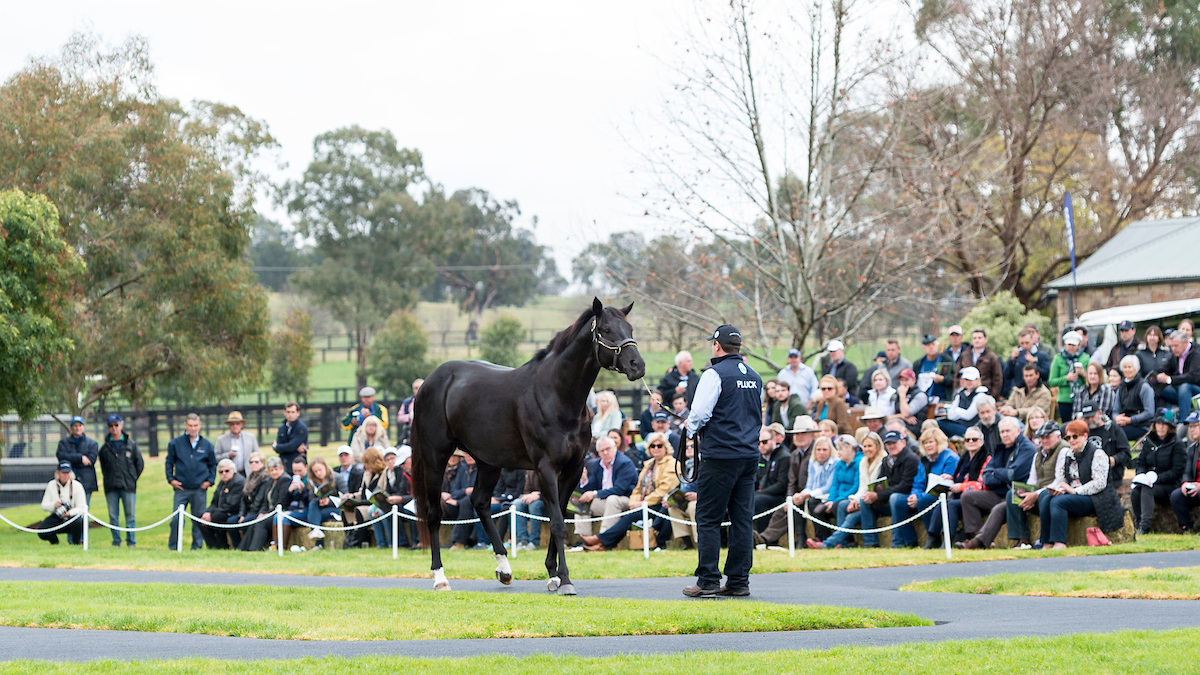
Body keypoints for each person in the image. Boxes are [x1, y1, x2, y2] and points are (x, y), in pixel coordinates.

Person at [682, 324, 763, 598]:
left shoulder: (714, 374)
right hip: (748, 455)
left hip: (720, 455)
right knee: (742, 519)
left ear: (717, 345)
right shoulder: (754, 376)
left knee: (708, 518)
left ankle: (708, 579)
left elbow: (699, 413)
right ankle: (739, 580)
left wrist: (690, 430)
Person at [582, 432, 679, 551]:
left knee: (628, 518)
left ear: (666, 447)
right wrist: (634, 502)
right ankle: (601, 544)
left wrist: (643, 503)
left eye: (659, 446)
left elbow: (664, 490)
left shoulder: (672, 464)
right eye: (652, 446)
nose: (656, 448)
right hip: (644, 503)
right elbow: (638, 488)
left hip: (659, 505)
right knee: (629, 517)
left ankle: (601, 540)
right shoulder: (649, 464)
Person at [1037, 419, 1125, 549]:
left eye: (1075, 436)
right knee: (1046, 498)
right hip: (1073, 495)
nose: (1071, 440)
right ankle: (1046, 543)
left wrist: (1075, 491)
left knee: (1058, 502)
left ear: (1085, 436)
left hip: (1096, 498)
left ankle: (1059, 543)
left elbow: (1100, 483)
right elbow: (1062, 478)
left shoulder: (1098, 454)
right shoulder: (1068, 454)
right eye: (1068, 437)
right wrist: (1060, 489)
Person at [958, 417, 1036, 550]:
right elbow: (986, 476)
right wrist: (1000, 474)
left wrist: (996, 473)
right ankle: (977, 536)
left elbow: (1013, 474)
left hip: (1018, 494)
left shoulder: (1027, 448)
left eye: (1008, 431)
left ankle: (976, 543)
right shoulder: (1000, 448)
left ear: (1018, 430)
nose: (1005, 435)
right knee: (967, 497)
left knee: (999, 509)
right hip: (998, 493)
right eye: (1002, 432)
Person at [809, 431, 892, 549]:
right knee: (842, 507)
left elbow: (869, 487)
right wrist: (853, 500)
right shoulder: (863, 462)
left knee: (845, 509)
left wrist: (855, 500)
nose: (867, 449)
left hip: (878, 501)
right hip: (864, 499)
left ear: (878, 447)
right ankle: (840, 543)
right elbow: (861, 487)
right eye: (865, 446)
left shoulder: (882, 461)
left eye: (870, 446)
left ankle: (833, 543)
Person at [755, 416, 818, 546]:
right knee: (782, 510)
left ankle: (800, 539)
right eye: (796, 434)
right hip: (796, 495)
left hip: (813, 493)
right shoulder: (794, 454)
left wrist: (802, 495)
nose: (799, 437)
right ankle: (763, 538)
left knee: (793, 506)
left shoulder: (817, 451)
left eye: (803, 433)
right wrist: (789, 497)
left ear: (812, 434)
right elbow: (791, 482)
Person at [1007, 421, 1068, 548]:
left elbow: (1059, 481)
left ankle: (1045, 540)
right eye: (1042, 437)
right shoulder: (1038, 453)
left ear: (1058, 436)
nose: (1044, 441)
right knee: (1012, 494)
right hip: (1039, 492)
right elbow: (1032, 481)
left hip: (1056, 491)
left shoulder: (1064, 450)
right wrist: (1028, 494)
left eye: (1047, 437)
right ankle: (1023, 540)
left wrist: (1035, 494)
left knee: (1045, 495)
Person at [925, 425, 990, 546]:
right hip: (962, 498)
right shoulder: (964, 458)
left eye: (974, 439)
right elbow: (962, 478)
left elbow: (982, 484)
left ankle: (948, 540)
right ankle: (932, 537)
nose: (971, 442)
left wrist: (960, 486)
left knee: (951, 505)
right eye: (967, 439)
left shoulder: (987, 458)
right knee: (941, 504)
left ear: (981, 441)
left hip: (977, 499)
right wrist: (952, 478)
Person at [165, 413, 217, 551]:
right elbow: (169, 462)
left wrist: (210, 481)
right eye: (190, 425)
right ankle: (173, 546)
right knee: (176, 519)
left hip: (199, 489)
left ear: (200, 426)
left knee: (198, 520)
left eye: (195, 425)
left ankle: (197, 547)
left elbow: (213, 464)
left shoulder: (206, 445)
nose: (193, 428)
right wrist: (171, 479)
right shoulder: (175, 443)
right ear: (185, 425)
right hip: (181, 488)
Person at [1130, 411, 1186, 535]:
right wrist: (1141, 474)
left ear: (1169, 427)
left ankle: (1145, 526)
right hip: (1149, 480)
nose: (1161, 427)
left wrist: (1157, 478)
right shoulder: (1149, 441)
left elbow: (1177, 471)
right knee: (1136, 490)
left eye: (1164, 424)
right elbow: (1140, 462)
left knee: (1147, 489)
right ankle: (1137, 523)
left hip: (1168, 485)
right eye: (1158, 423)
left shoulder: (1177, 444)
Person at [905, 427, 958, 549]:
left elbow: (946, 485)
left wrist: (920, 497)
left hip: (945, 496)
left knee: (924, 500)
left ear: (939, 442)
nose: (928, 445)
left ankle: (933, 536)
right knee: (899, 500)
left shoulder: (951, 458)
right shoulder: (924, 460)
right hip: (926, 495)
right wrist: (914, 495)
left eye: (931, 442)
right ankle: (906, 541)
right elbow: (918, 483)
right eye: (925, 443)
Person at [575, 437, 638, 539]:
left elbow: (619, 489)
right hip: (604, 501)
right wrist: (584, 480)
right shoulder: (597, 464)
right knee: (583, 502)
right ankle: (583, 538)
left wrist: (595, 494)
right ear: (598, 453)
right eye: (602, 451)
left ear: (614, 448)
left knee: (612, 500)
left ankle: (602, 539)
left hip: (626, 500)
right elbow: (591, 488)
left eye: (608, 449)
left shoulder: (625, 463)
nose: (605, 453)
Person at [97, 413, 143, 548]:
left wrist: (132, 478)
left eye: (116, 425)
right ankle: (116, 541)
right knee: (113, 516)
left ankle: (131, 541)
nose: (114, 428)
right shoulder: (105, 448)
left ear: (121, 425)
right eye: (111, 425)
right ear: (108, 427)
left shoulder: (131, 445)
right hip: (111, 486)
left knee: (130, 515)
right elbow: (104, 467)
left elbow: (139, 464)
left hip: (128, 486)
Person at [811, 436, 862, 544]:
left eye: (840, 449)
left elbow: (856, 487)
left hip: (850, 497)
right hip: (838, 498)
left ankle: (845, 541)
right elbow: (835, 485)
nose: (838, 452)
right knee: (817, 508)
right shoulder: (839, 464)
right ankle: (824, 538)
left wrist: (835, 501)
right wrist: (830, 500)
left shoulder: (859, 462)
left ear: (850, 447)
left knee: (838, 505)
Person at [55, 416, 98, 544]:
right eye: (75, 426)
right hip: (68, 484)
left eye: (80, 425)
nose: (77, 428)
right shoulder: (64, 443)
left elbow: (91, 459)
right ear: (71, 428)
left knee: (83, 510)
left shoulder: (92, 443)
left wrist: (72, 459)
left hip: (86, 483)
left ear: (83, 427)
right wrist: (80, 458)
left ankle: (83, 539)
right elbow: (62, 456)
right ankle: (72, 539)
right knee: (69, 510)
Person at [239, 456, 290, 551]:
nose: (274, 472)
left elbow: (281, 502)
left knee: (261, 523)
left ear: (282, 468)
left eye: (276, 469)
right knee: (254, 521)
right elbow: (265, 501)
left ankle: (255, 549)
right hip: (268, 512)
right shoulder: (269, 481)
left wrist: (267, 514)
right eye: (271, 470)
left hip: (279, 513)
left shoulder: (285, 480)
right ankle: (243, 548)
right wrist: (262, 513)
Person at [791, 436, 837, 540]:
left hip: (828, 495)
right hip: (815, 494)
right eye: (818, 449)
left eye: (824, 449)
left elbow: (828, 487)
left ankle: (821, 537)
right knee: (797, 501)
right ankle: (801, 538)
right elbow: (810, 485)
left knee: (813, 502)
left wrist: (808, 494)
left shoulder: (835, 462)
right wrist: (801, 495)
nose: (821, 452)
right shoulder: (812, 462)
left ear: (830, 450)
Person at [343, 447, 387, 549]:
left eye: (368, 463)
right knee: (345, 509)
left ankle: (362, 541)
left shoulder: (383, 473)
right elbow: (362, 492)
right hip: (364, 501)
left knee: (359, 510)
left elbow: (382, 492)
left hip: (374, 503)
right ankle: (349, 539)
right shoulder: (367, 473)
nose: (366, 466)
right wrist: (352, 496)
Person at [200, 459, 245, 549]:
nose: (224, 473)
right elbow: (214, 502)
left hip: (234, 512)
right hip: (222, 510)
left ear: (233, 470)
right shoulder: (222, 483)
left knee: (216, 517)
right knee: (200, 518)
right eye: (221, 472)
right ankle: (212, 546)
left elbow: (232, 504)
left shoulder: (238, 482)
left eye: (226, 471)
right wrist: (208, 512)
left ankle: (223, 545)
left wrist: (212, 514)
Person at [37, 463, 86, 545]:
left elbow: (82, 507)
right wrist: (54, 505)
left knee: (78, 522)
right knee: (42, 531)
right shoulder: (51, 484)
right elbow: (44, 505)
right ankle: (54, 542)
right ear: (58, 473)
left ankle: (76, 543)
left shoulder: (77, 486)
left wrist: (69, 513)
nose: (65, 475)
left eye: (68, 473)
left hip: (72, 517)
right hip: (57, 516)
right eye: (63, 473)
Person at [752, 427, 791, 531]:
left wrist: (760, 492)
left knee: (758, 500)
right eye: (758, 443)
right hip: (762, 494)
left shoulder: (784, 457)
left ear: (774, 440)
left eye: (764, 442)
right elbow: (755, 481)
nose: (761, 445)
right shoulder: (759, 458)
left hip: (778, 497)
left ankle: (761, 535)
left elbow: (782, 485)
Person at [1168, 411, 1200, 532]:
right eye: (1190, 427)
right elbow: (1186, 471)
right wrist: (1185, 483)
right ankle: (1187, 527)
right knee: (1176, 496)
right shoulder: (1192, 449)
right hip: (1195, 487)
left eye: (1195, 426)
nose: (1192, 430)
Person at [1158, 331, 1200, 421]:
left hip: (1196, 391)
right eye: (1172, 346)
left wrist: (1170, 379)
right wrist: (1157, 376)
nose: (1173, 349)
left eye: (1176, 346)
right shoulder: (1176, 354)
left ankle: (1183, 422)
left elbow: (1193, 377)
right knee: (1158, 388)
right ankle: (1162, 421)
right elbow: (1164, 368)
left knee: (1184, 387)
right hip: (1180, 392)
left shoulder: (1196, 353)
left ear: (1185, 343)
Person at [1049, 331, 1089, 422]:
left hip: (1082, 397)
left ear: (1078, 345)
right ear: (1065, 344)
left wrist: (1083, 374)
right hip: (1064, 399)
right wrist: (1066, 378)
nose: (1071, 347)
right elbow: (1052, 381)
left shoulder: (1085, 358)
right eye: (1069, 344)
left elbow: (1091, 378)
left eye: (1073, 345)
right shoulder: (1058, 358)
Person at [667, 438, 699, 548]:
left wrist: (698, 496)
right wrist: (670, 498)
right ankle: (686, 542)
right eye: (686, 447)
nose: (689, 449)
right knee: (672, 507)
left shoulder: (703, 464)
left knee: (693, 506)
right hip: (686, 499)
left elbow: (696, 485)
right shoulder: (684, 465)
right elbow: (680, 485)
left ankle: (699, 542)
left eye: (692, 446)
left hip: (701, 500)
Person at [231, 452, 268, 548]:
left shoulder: (265, 478)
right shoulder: (249, 477)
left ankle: (246, 546)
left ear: (263, 463)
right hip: (248, 510)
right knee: (231, 521)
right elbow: (243, 498)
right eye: (251, 462)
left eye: (256, 462)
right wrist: (242, 514)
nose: (253, 464)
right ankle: (236, 547)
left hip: (258, 511)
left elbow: (260, 499)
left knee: (246, 522)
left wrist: (247, 515)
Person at [939, 367, 989, 438]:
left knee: (939, 424)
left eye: (971, 380)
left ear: (977, 380)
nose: (968, 382)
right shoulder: (960, 393)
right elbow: (950, 415)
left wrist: (956, 410)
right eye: (966, 380)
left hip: (972, 428)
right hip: (958, 424)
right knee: (936, 423)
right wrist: (961, 412)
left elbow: (969, 415)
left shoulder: (980, 394)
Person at [1115, 354, 1156, 441]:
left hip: (1141, 426)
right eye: (1125, 367)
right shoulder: (1121, 387)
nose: (1127, 370)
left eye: (1130, 367)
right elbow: (1116, 410)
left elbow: (1149, 412)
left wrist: (1131, 420)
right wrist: (1117, 418)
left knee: (1117, 433)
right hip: (1124, 424)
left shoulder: (1145, 387)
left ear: (1136, 369)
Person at [303, 456, 341, 548]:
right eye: (315, 472)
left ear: (325, 467)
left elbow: (344, 497)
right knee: (313, 505)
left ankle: (318, 543)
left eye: (320, 470)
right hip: (320, 508)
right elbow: (311, 499)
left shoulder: (337, 478)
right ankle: (316, 533)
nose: (318, 473)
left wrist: (329, 501)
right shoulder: (312, 481)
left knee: (313, 516)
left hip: (336, 508)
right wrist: (320, 501)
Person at [1003, 329, 1051, 398]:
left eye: (1027, 343)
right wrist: (1011, 360)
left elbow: (1046, 376)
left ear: (1032, 340)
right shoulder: (1016, 356)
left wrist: (1033, 364)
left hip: (1037, 393)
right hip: (1019, 393)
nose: (1024, 346)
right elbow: (1007, 375)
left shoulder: (1042, 355)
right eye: (1022, 343)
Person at [957, 329, 1003, 395]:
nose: (977, 340)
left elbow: (997, 379)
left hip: (984, 394)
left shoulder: (992, 357)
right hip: (966, 394)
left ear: (985, 339)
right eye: (974, 338)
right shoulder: (964, 355)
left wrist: (992, 397)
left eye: (979, 338)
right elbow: (957, 376)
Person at [214, 411, 258, 476]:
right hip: (230, 474)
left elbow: (257, 455)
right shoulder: (221, 439)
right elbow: (215, 457)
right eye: (232, 424)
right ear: (229, 425)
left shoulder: (250, 438)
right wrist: (228, 455)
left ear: (241, 424)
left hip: (247, 473)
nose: (235, 426)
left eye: (237, 424)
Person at [514, 470, 546, 551]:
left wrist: (539, 495)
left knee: (534, 505)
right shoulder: (530, 470)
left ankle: (534, 541)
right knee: (517, 504)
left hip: (547, 501)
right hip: (532, 498)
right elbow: (526, 490)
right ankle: (522, 540)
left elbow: (555, 489)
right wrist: (528, 496)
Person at [272, 402, 308, 474]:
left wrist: (277, 446)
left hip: (297, 466)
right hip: (283, 464)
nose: (290, 414)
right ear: (284, 412)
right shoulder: (282, 428)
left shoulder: (301, 428)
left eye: (293, 412)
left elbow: (291, 446)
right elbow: (280, 448)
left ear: (298, 413)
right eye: (288, 412)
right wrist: (278, 447)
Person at [914, 335, 950, 402]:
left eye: (933, 344)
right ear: (924, 348)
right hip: (922, 400)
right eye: (928, 345)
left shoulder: (946, 360)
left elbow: (954, 378)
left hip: (941, 399)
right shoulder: (918, 363)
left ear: (937, 345)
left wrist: (943, 379)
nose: (931, 347)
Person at [1139, 325, 1171, 398]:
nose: (1152, 337)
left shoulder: (1167, 354)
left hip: (1164, 387)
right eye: (1150, 335)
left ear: (1159, 338)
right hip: (1146, 387)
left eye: (1155, 335)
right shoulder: (1140, 354)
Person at [895, 369, 929, 436]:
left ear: (914, 380)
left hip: (913, 430)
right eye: (902, 380)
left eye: (906, 380)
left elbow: (905, 413)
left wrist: (902, 395)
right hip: (898, 426)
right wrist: (901, 416)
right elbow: (887, 417)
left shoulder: (920, 395)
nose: (904, 383)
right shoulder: (898, 393)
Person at [395, 379, 423, 443]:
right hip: (410, 431)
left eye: (420, 387)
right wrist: (409, 416)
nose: (418, 389)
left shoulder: (431, 402)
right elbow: (399, 418)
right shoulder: (407, 402)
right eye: (416, 388)